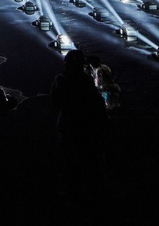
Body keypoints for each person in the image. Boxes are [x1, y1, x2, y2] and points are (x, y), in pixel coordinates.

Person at [51, 49, 108, 212]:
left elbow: (55, 102)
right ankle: (94, 199)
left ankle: (75, 199)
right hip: (86, 127)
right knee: (91, 164)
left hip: (69, 127)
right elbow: (97, 103)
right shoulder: (85, 80)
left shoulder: (60, 80)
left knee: (71, 165)